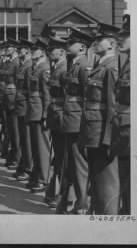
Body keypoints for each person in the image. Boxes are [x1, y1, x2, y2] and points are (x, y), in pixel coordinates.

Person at [78, 23, 121, 215]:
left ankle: (110, 223)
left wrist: (109, 138)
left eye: (99, 40)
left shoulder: (111, 68)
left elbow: (113, 106)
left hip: (102, 131)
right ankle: (97, 218)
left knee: (107, 183)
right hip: (92, 130)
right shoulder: (100, 65)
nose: (94, 42)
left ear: (111, 43)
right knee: (96, 180)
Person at [55, 28, 93, 214]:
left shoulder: (85, 66)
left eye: (71, 43)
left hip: (78, 122)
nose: (67, 46)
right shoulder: (74, 65)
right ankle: (76, 201)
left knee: (79, 166)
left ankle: (82, 204)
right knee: (71, 165)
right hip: (71, 120)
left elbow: (89, 97)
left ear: (82, 47)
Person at [25, 36, 52, 193]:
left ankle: (44, 179)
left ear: (42, 52)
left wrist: (45, 115)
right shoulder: (35, 67)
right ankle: (37, 175)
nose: (32, 52)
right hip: (33, 109)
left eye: (35, 50)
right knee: (35, 146)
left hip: (40, 110)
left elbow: (46, 94)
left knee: (42, 147)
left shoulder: (44, 68)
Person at [45, 35, 68, 208]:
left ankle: (62, 195)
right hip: (55, 117)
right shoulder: (57, 68)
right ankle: (55, 192)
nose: (49, 52)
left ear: (61, 51)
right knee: (58, 158)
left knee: (63, 160)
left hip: (63, 119)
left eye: (52, 49)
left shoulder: (64, 69)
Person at [111, 14, 131, 214]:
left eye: (126, 35)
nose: (120, 39)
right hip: (123, 128)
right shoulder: (128, 62)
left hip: (132, 131)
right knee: (125, 182)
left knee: (132, 186)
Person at [12, 39, 33, 181]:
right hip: (20, 104)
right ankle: (24, 165)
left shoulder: (29, 65)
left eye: (23, 49)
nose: (20, 51)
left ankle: (28, 168)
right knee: (22, 138)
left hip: (26, 105)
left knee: (27, 139)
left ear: (28, 51)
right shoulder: (22, 65)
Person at [2, 39, 21, 168]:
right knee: (10, 129)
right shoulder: (8, 62)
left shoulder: (17, 62)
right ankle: (13, 154)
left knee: (15, 130)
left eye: (9, 48)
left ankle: (17, 157)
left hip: (13, 96)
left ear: (14, 49)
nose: (6, 50)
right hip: (7, 96)